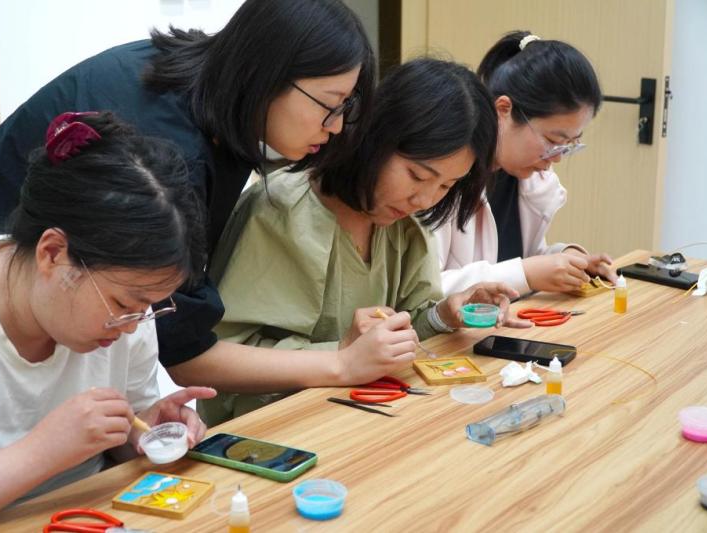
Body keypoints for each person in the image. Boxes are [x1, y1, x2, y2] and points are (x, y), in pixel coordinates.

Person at [0, 0, 376, 385]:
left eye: (346, 107)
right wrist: (339, 365)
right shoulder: (170, 151)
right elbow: (178, 349)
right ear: (266, 73)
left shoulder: (214, 91)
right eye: (328, 105)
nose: (336, 126)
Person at [0, 112, 216, 532]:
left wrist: (143, 432)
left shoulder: (127, 307)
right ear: (53, 254)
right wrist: (42, 453)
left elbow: (124, 437)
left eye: (149, 306)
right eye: (124, 303)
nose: (133, 326)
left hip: (93, 514)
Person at [200, 58, 531, 426]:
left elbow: (406, 331)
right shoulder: (279, 212)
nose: (424, 200)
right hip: (269, 430)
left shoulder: (404, 225)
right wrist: (342, 352)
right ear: (375, 138)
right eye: (417, 175)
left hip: (359, 422)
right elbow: (215, 358)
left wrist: (442, 314)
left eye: (446, 185)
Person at [435, 31, 618, 296]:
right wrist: (527, 273)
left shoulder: (528, 179)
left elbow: (518, 256)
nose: (556, 157)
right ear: (503, 110)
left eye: (570, 145)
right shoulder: (444, 178)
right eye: (553, 140)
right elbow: (425, 291)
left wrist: (567, 258)